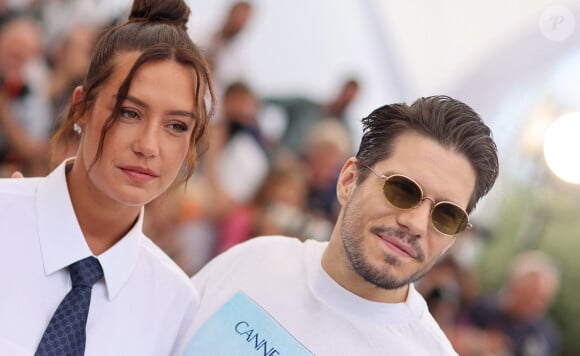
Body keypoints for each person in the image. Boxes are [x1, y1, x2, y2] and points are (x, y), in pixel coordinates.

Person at [185, 95, 499, 355]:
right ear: (349, 180)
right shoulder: (257, 260)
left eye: (446, 216)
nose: (416, 223)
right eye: (402, 189)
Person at [0, 0, 215, 355]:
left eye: (176, 126)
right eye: (129, 112)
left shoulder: (176, 307)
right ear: (81, 107)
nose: (149, 146)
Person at [467, 250, 562, 356]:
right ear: (515, 286)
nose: (536, 303)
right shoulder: (483, 308)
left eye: (543, 298)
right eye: (531, 294)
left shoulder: (546, 335)